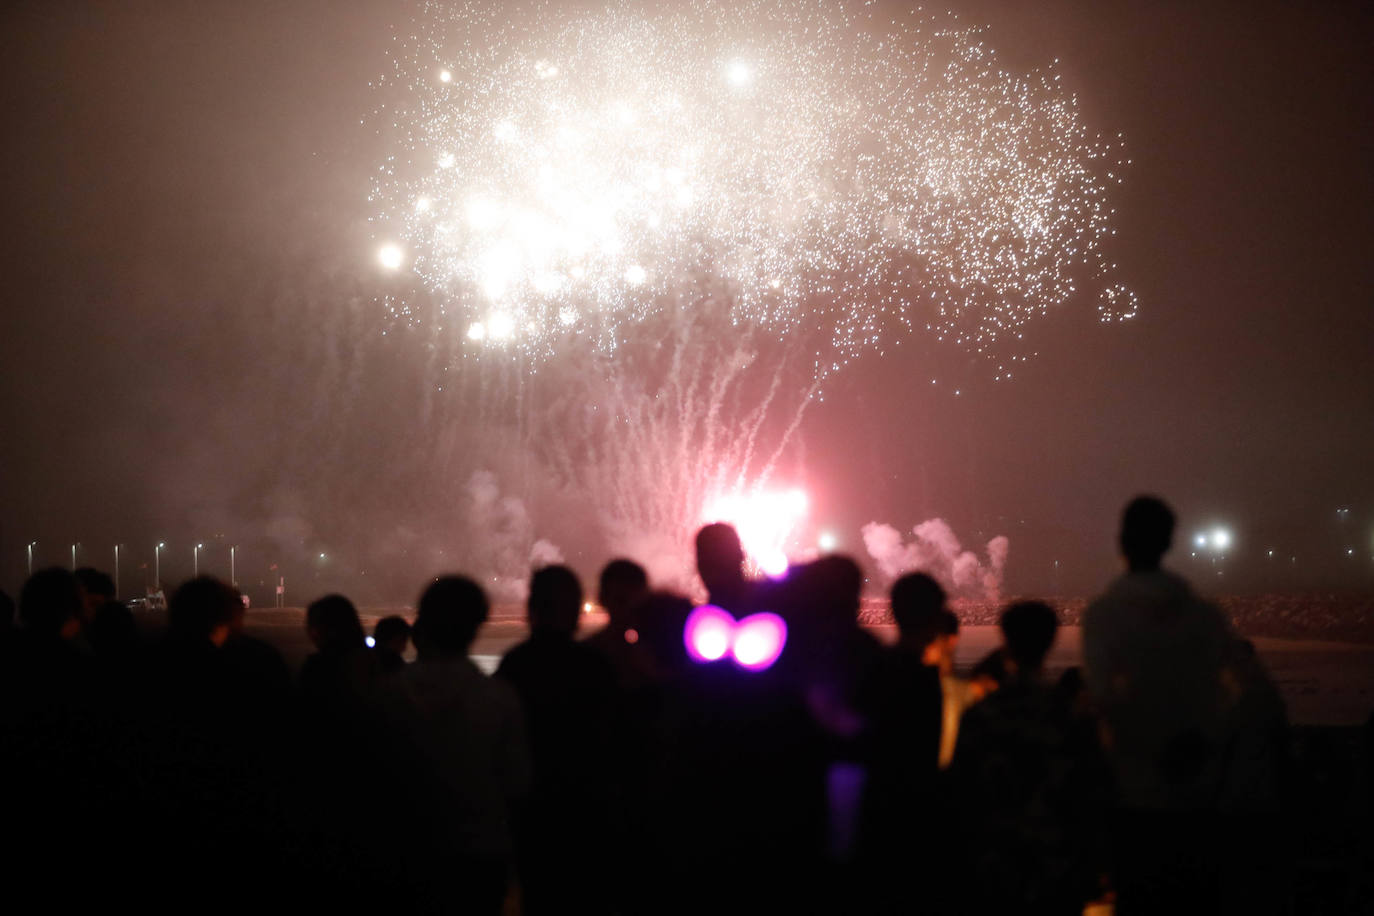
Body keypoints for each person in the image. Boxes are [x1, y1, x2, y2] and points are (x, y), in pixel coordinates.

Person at [1083, 496, 1289, 913]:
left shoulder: (1104, 617)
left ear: (1121, 541)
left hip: (1134, 795)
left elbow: (1104, 702)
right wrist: (1207, 744)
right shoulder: (1205, 617)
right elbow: (1256, 696)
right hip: (1198, 794)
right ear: (1170, 542)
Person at [953, 601, 1109, 914]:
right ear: (1051, 642)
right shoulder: (1072, 717)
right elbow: (1093, 794)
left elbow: (961, 794)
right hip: (1056, 868)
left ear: (1006, 643)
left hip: (996, 868)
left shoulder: (982, 714)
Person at [389, 575, 529, 914]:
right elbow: (518, 784)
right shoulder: (499, 698)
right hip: (478, 855)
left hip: (407, 851)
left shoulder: (386, 695)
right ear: (478, 624)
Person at [497, 566, 617, 914]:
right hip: (588, 815)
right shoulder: (595, 666)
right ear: (577, 610)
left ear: (531, 608)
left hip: (534, 816)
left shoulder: (514, 665)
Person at [582, 558, 650, 688]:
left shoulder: (585, 655)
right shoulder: (659, 655)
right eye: (622, 600)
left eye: (635, 602)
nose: (628, 610)